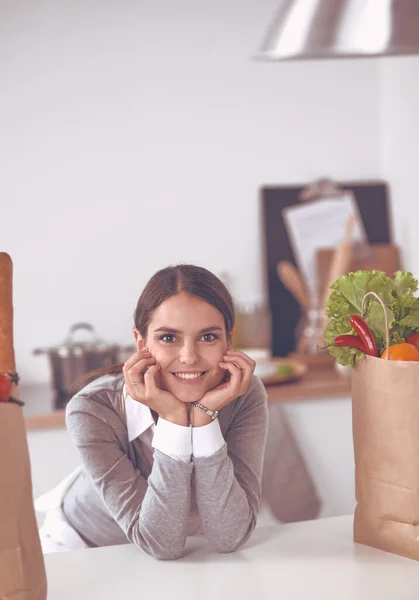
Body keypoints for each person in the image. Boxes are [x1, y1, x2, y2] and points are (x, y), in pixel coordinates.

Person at [36, 264, 269, 559]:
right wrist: (174, 422)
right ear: (141, 342)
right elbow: (160, 544)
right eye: (169, 338)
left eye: (208, 337)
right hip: (83, 550)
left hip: (182, 553)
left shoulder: (243, 394)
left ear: (229, 341)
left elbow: (229, 536)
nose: (189, 357)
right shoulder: (92, 409)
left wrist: (202, 421)